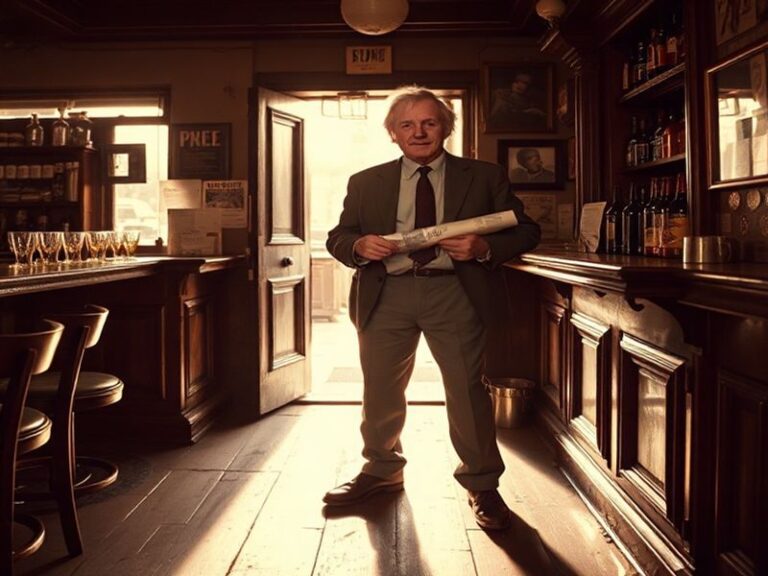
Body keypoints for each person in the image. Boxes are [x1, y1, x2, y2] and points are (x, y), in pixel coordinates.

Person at [324, 86, 541, 531]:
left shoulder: (484, 176)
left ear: (445, 128)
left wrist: (484, 246)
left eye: (429, 122)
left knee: (465, 389)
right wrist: (359, 245)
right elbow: (338, 237)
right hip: (386, 293)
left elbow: (526, 231)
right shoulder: (365, 182)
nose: (418, 132)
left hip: (454, 292)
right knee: (380, 389)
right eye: (407, 124)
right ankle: (381, 471)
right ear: (392, 133)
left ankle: (483, 484)